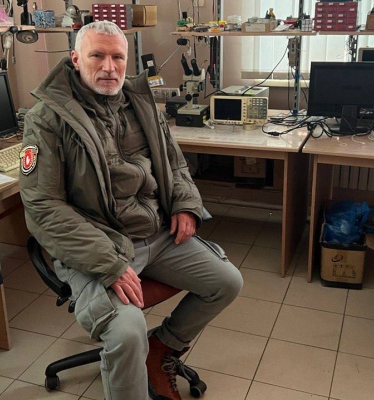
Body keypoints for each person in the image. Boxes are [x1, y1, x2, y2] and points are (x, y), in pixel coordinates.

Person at [19, 21, 243, 400]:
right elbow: (43, 206)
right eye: (97, 56)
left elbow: (174, 163)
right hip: (99, 246)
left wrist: (186, 204)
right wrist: (109, 263)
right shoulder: (47, 119)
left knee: (227, 282)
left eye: (118, 57)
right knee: (126, 332)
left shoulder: (140, 102)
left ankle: (162, 348)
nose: (110, 67)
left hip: (156, 234)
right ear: (76, 59)